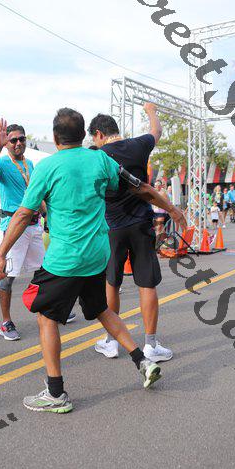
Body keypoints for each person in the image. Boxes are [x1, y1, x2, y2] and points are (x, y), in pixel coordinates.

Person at [0, 108, 186, 413]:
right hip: (97, 255)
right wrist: (172, 209)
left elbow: (24, 214)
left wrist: (1, 254)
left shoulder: (47, 166)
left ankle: (55, 393)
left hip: (66, 259)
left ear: (55, 137)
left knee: (46, 317)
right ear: (83, 135)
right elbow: (142, 188)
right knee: (100, 309)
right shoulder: (101, 160)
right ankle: (143, 361)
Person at [88, 103, 176, 362]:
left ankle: (111, 341)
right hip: (141, 224)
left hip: (111, 228)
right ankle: (151, 345)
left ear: (99, 134)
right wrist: (151, 111)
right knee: (146, 283)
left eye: (94, 138)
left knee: (112, 283)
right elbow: (157, 131)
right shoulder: (139, 145)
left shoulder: (97, 156)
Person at [0, 119, 75, 342]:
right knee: (8, 277)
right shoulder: (3, 162)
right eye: (12, 140)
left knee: (45, 271)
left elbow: (36, 194)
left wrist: (46, 215)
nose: (17, 143)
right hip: (13, 227)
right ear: (7, 143)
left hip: (33, 226)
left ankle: (50, 309)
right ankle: (6, 322)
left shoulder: (30, 164)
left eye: (21, 139)